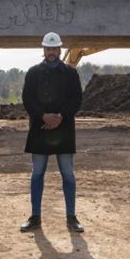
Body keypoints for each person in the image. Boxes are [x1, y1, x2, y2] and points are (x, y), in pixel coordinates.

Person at [19, 32, 84, 233]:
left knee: (68, 175)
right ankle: (35, 217)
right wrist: (43, 117)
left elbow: (76, 100)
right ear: (44, 50)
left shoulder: (71, 74)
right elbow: (27, 99)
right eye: (48, 49)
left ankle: (71, 217)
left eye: (55, 49)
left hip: (63, 130)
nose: (52, 52)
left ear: (60, 50)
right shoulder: (32, 73)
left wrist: (59, 117)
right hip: (40, 129)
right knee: (37, 173)